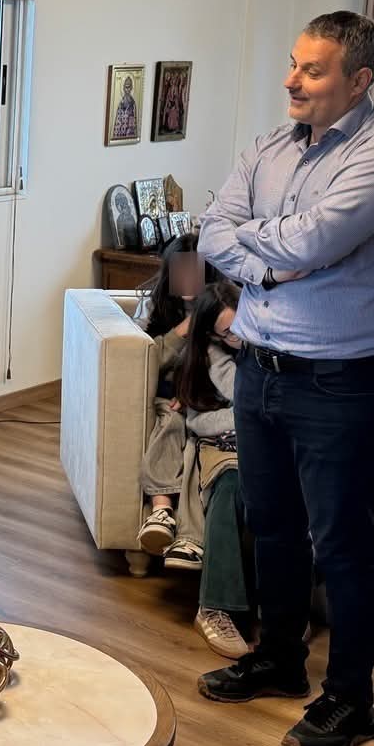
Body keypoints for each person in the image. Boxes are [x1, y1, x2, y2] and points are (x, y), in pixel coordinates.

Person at [197, 11, 374, 746]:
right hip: (260, 369)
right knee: (271, 525)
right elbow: (213, 231)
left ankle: (351, 703)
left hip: (343, 380)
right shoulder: (271, 145)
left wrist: (266, 245)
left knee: (342, 542)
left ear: (359, 80)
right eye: (294, 63)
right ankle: (279, 658)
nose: (291, 80)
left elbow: (318, 237)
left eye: (312, 69)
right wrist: (277, 262)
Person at [173, 283, 253, 659]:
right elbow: (198, 420)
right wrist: (248, 418)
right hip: (222, 447)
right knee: (230, 486)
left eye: (243, 325)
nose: (240, 336)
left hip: (275, 445)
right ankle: (214, 608)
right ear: (211, 335)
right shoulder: (204, 358)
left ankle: (285, 607)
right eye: (229, 332)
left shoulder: (269, 342)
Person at [134, 234, 215, 561]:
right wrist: (183, 329)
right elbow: (145, 363)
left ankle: (190, 538)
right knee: (171, 422)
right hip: (166, 397)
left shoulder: (221, 303)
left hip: (204, 397)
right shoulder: (154, 306)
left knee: (197, 444)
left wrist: (192, 391)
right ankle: (161, 509)